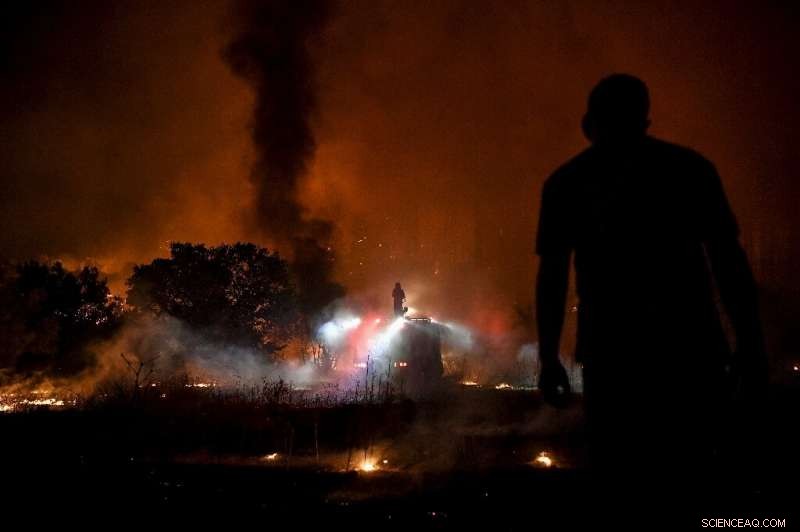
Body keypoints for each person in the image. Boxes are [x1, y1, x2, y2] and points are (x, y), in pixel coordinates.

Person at [535, 74, 766, 483]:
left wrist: (550, 359)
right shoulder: (691, 171)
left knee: (623, 478)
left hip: (614, 360)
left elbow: (552, 279)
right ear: (644, 118)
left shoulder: (567, 183)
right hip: (692, 352)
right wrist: (750, 346)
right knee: (696, 473)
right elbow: (730, 266)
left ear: (591, 123)